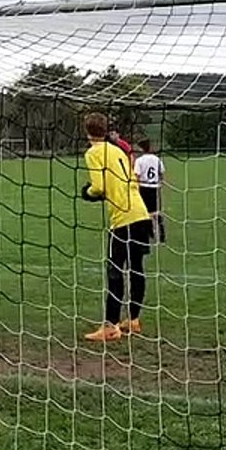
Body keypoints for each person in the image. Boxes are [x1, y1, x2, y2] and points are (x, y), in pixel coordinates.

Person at [80, 112, 152, 342]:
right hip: (141, 213)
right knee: (137, 268)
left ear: (87, 132)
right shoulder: (118, 149)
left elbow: (99, 186)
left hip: (122, 219)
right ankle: (133, 320)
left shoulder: (93, 152)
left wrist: (87, 193)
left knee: (114, 272)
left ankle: (111, 326)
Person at [133, 138, 166, 244]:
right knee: (156, 212)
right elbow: (161, 173)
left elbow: (137, 175)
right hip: (154, 187)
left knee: (144, 212)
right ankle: (161, 234)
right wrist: (160, 182)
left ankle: (149, 233)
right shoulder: (157, 159)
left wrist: (136, 188)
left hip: (143, 187)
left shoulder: (139, 161)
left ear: (141, 148)